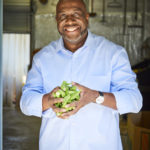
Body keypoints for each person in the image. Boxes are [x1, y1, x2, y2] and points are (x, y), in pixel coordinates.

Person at [20, 0, 143, 149]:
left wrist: (95, 96)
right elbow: (25, 102)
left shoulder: (113, 54)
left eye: (76, 14)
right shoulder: (42, 58)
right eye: (63, 15)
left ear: (86, 17)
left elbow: (134, 101)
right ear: (56, 20)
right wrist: (48, 100)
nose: (69, 20)